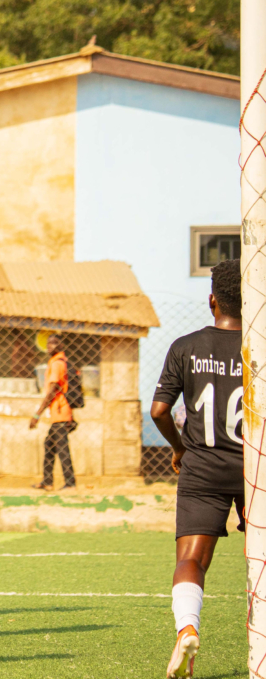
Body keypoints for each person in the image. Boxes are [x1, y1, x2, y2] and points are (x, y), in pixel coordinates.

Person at [150, 259, 243, 679]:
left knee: (191, 559)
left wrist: (180, 447)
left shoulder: (184, 347)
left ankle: (187, 626)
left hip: (202, 466)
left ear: (211, 300)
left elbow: (159, 410)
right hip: (255, 468)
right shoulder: (259, 347)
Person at [30, 334, 76, 490]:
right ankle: (48, 482)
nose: (50, 346)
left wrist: (37, 414)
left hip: (60, 412)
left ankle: (70, 483)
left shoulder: (57, 364)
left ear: (60, 345)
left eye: (54, 343)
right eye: (48, 344)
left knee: (62, 448)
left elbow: (52, 390)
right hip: (59, 412)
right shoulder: (58, 362)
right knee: (49, 444)